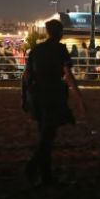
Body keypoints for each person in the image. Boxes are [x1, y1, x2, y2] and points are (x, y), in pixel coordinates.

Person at [22, 19, 86, 186]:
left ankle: (45, 175)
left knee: (44, 132)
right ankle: (34, 166)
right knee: (48, 136)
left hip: (36, 95)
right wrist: (79, 97)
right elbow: (68, 74)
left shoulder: (36, 49)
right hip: (54, 94)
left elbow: (26, 75)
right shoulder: (61, 49)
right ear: (58, 32)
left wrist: (24, 97)